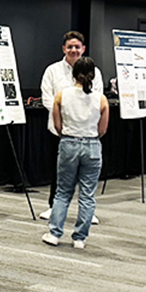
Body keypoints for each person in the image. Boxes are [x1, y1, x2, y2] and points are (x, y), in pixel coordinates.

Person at [41, 57, 108, 249]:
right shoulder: (101, 99)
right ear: (93, 76)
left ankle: (54, 233)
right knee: (87, 194)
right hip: (92, 145)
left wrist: (68, 135)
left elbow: (57, 125)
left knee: (62, 192)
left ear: (73, 74)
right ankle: (80, 238)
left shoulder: (61, 95)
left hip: (68, 143)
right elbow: (102, 130)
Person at [39, 31, 103, 224]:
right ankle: (53, 207)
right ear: (63, 49)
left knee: (87, 175)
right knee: (58, 172)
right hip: (59, 130)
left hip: (87, 131)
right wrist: (63, 116)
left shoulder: (95, 72)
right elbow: (47, 98)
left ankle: (87, 211)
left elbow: (98, 98)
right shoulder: (52, 71)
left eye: (77, 47)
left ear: (83, 49)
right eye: (70, 47)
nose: (73, 50)